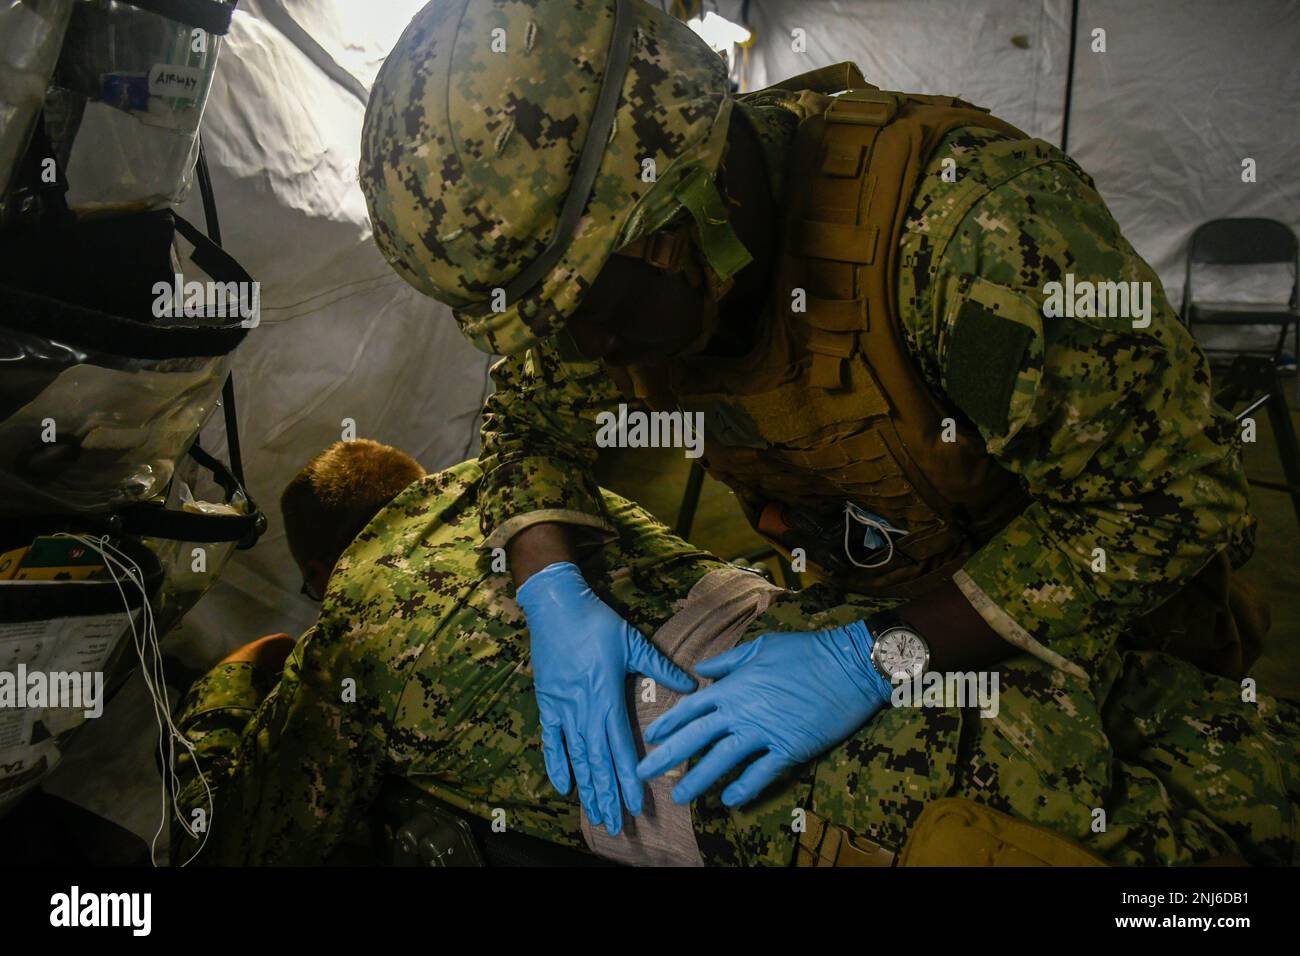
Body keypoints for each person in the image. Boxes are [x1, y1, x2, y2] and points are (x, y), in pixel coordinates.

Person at [346, 0, 1300, 864]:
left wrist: (879, 655)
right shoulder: (610, 284)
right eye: (552, 325)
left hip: (1108, 650)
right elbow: (526, 426)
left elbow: (1175, 501)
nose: (588, 349)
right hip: (882, 617)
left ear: (685, 191)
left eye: (590, 308)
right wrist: (551, 583)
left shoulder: (975, 233)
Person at [171, 443, 1297, 866]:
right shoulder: (524, 494)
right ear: (418, 477)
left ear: (324, 575)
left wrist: (237, 688)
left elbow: (253, 835)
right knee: (1248, 758)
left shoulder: (353, 626)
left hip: (886, 801)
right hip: (932, 652)